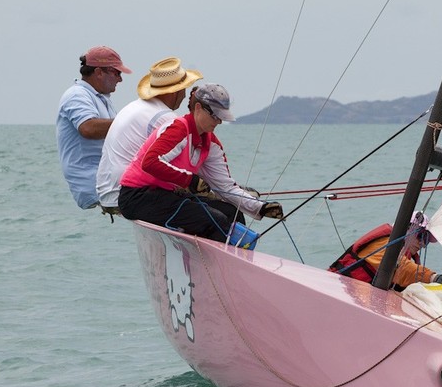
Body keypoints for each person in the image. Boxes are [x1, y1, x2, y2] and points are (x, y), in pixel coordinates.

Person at [118, 84, 283, 241]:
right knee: (215, 220)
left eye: (221, 117)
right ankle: (216, 265)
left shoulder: (212, 144)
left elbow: (226, 187)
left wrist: (260, 207)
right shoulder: (179, 129)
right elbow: (150, 162)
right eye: (215, 115)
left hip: (166, 196)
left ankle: (237, 261)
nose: (218, 121)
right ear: (198, 108)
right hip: (136, 197)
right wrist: (190, 180)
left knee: (233, 214)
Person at [96, 57, 203, 214]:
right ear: (177, 91)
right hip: (128, 195)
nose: (184, 95)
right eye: (184, 89)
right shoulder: (167, 119)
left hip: (105, 192)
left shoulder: (133, 106)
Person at [56, 46, 132, 208]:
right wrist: (131, 122)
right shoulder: (76, 95)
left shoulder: (100, 98)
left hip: (108, 181)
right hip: (95, 186)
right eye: (117, 73)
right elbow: (88, 128)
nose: (120, 79)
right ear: (99, 72)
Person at [329, 215, 442, 290]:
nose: (422, 244)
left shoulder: (401, 252)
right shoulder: (386, 243)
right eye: (421, 237)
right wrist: (432, 277)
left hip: (354, 292)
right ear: (407, 229)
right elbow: (401, 269)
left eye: (426, 241)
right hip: (336, 288)